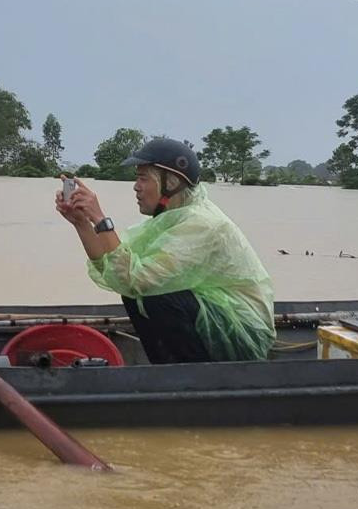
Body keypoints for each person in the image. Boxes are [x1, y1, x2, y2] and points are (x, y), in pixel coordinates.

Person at [55, 137, 274, 363]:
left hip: (243, 335)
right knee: (138, 295)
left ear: (170, 182)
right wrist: (81, 223)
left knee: (155, 296)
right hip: (217, 321)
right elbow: (114, 269)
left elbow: (136, 279)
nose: (136, 186)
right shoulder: (173, 219)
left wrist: (100, 219)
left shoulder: (202, 224)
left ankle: (191, 376)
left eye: (143, 178)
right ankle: (166, 372)